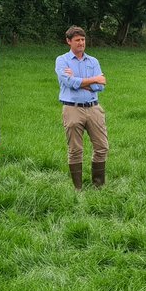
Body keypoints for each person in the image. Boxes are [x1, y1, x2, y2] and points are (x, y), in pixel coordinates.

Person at [56, 25, 108, 190]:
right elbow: (69, 82)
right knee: (75, 149)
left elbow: (102, 86)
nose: (81, 43)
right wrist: (93, 80)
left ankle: (98, 186)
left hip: (94, 108)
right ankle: (78, 189)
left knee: (102, 146)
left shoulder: (93, 61)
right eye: (77, 40)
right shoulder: (62, 60)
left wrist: (80, 82)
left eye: (83, 39)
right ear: (69, 41)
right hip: (72, 109)